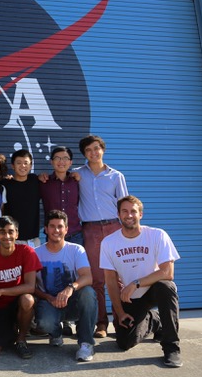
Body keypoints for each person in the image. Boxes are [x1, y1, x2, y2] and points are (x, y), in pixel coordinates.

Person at [100, 195, 182, 368]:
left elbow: (167, 272)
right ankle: (153, 320)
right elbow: (111, 281)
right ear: (118, 215)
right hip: (132, 297)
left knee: (167, 287)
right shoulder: (109, 242)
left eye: (133, 211)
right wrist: (120, 312)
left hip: (153, 289)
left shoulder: (157, 235)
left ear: (140, 214)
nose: (129, 215)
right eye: (124, 211)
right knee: (124, 343)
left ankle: (171, 348)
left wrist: (135, 283)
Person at [76, 135, 128, 338]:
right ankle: (101, 324)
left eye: (96, 148)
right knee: (97, 279)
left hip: (115, 228)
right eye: (88, 150)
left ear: (103, 150)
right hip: (91, 230)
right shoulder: (77, 175)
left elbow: (125, 205)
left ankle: (122, 319)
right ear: (84, 154)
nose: (93, 153)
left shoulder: (116, 176)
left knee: (119, 278)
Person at [34, 210, 97, 362]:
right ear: (46, 229)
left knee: (88, 293)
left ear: (66, 229)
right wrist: (47, 297)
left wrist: (70, 288)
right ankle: (55, 333)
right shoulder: (35, 253)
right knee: (45, 323)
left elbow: (87, 277)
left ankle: (86, 343)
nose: (56, 230)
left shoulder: (76, 250)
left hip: (72, 302)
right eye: (52, 226)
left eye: (60, 227)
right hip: (49, 302)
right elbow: (31, 286)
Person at [0, 216, 41, 359]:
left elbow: (31, 287)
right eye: (2, 232)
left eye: (10, 231)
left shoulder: (27, 252)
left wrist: (1, 290)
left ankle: (21, 339)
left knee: (28, 299)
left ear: (17, 234)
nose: (7, 236)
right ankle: (10, 331)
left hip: (19, 303)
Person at [39, 146, 83, 246]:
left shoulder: (77, 181)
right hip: (52, 235)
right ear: (51, 161)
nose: (61, 161)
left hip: (75, 235)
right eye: (57, 158)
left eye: (65, 158)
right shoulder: (44, 182)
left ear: (70, 162)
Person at [3, 149, 41, 248]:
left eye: (26, 163)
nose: (23, 166)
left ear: (31, 166)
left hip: (33, 239)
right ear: (13, 166)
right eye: (19, 163)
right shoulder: (5, 184)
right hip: (12, 239)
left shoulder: (36, 181)